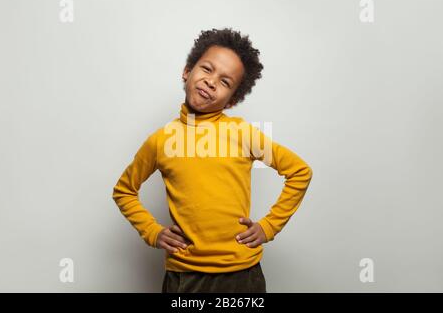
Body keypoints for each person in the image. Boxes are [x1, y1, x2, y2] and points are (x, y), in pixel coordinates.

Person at [112, 28, 313, 293]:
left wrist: (268, 226)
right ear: (187, 71)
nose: (211, 82)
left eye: (225, 82)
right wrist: (152, 231)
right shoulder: (160, 141)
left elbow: (299, 172)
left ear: (232, 101)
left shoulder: (242, 134)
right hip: (184, 275)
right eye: (207, 69)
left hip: (242, 275)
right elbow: (124, 191)